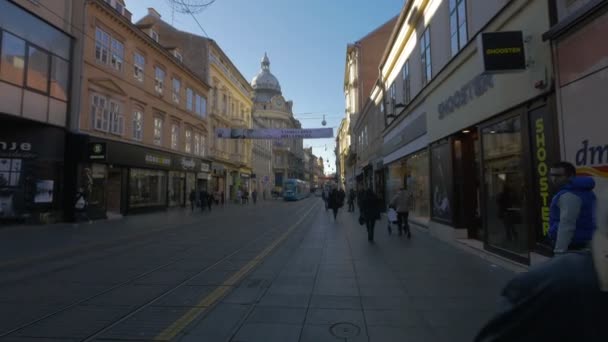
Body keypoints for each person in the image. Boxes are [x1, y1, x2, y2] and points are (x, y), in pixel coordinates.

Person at [548, 161, 597, 254]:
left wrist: (559, 252)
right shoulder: (584, 190)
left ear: (570, 176)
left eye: (558, 176)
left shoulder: (569, 195)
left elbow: (566, 225)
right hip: (582, 243)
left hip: (572, 246)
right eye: (552, 175)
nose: (554, 179)